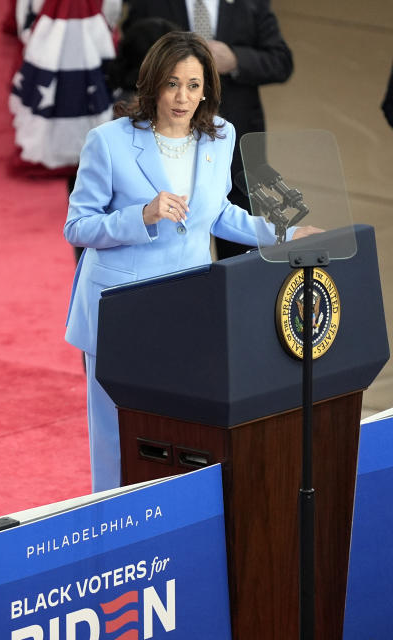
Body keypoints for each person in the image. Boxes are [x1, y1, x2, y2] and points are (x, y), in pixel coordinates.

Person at [63, 31, 316, 492]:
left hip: (186, 307)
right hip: (120, 309)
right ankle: (112, 519)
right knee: (114, 435)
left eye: (194, 85)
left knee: (177, 430)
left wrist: (288, 235)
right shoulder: (109, 142)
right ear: (153, 83)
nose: (183, 98)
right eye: (173, 84)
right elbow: (78, 227)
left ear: (208, 89)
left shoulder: (221, 136)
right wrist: (142, 215)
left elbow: (219, 213)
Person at [122, 0, 293, 259]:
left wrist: (236, 59)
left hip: (236, 152)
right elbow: (130, 57)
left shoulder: (252, 5)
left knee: (239, 258)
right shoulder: (150, 4)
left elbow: (281, 61)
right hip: (167, 149)